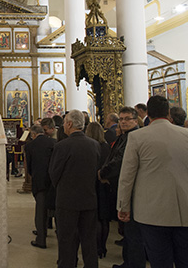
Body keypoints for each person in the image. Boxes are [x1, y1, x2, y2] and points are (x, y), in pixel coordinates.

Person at [117, 96, 188, 268]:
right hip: (187, 210)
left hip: (152, 212)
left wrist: (123, 206)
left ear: (148, 114)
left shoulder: (137, 137)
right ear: (168, 113)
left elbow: (127, 176)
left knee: (160, 261)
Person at [49, 110, 100, 268]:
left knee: (67, 241)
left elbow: (54, 173)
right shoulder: (94, 145)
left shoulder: (62, 146)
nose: (64, 125)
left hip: (67, 201)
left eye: (65, 122)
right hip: (89, 199)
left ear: (70, 124)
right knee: (89, 240)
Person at [98, 106, 145, 268]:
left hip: (133, 189)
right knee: (128, 231)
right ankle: (128, 262)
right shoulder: (125, 136)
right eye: (121, 119)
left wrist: (103, 173)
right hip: (121, 186)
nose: (123, 122)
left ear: (135, 120)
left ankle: (133, 264)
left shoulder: (134, 137)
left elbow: (119, 161)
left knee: (133, 232)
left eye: (127, 119)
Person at [24, 122, 56, 249]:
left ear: (33, 134)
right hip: (53, 180)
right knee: (55, 208)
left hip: (39, 180)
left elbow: (29, 166)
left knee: (40, 210)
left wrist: (34, 175)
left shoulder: (30, 146)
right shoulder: (53, 143)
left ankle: (41, 239)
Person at [86, 122, 111, 259]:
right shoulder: (106, 146)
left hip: (92, 184)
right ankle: (103, 247)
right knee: (104, 218)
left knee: (95, 218)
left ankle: (96, 247)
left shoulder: (89, 146)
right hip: (105, 184)